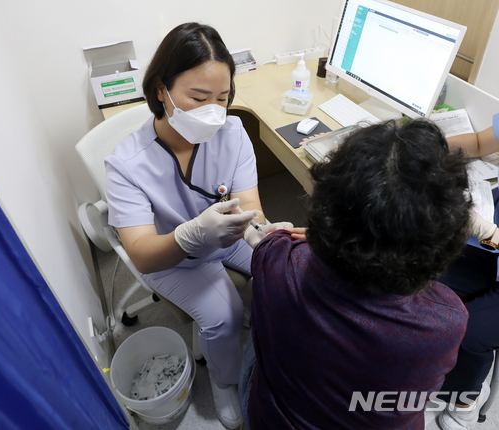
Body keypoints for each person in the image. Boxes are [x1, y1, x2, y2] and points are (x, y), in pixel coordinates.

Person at [239, 119, 472, 429]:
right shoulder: (447, 320)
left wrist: (290, 238)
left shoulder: (278, 263)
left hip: (271, 419)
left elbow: (268, 241)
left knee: (256, 331)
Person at [104, 22, 271, 429]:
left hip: (229, 235)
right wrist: (191, 235)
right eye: (198, 97)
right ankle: (224, 382)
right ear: (161, 89)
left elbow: (250, 204)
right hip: (171, 256)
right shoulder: (126, 164)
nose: (214, 111)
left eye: (223, 97)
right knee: (226, 315)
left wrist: (260, 232)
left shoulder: (233, 134)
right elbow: (142, 253)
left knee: (284, 271)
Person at [436, 115, 499, 430]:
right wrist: (418, 147)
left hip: (493, 238)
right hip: (491, 244)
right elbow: (477, 143)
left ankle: (466, 402)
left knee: (469, 332)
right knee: (423, 283)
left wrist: (489, 233)